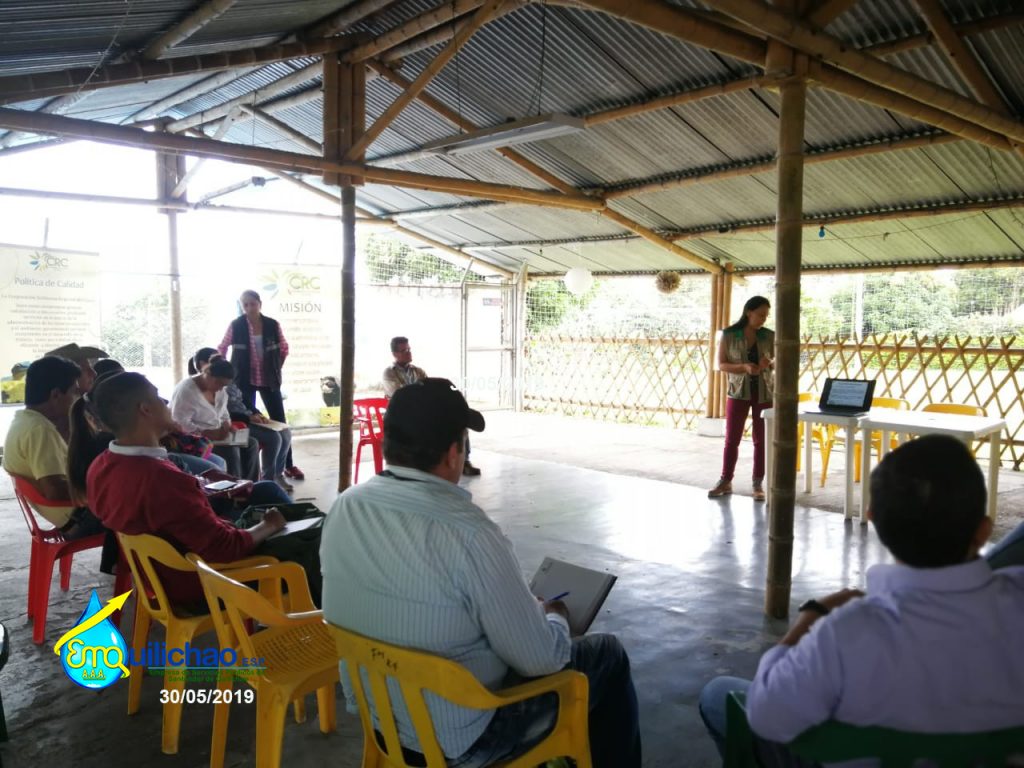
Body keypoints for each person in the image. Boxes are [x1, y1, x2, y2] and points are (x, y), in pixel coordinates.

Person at [321, 378, 641, 768]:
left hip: (382, 719)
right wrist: (554, 617)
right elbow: (540, 661)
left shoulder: (345, 506)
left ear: (389, 444)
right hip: (461, 741)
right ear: (453, 453)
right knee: (607, 654)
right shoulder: (470, 533)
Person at [698, 435, 1024, 765]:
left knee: (717, 694)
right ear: (984, 530)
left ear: (874, 520)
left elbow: (764, 714)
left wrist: (812, 615)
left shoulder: (847, 631)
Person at [85, 372, 298, 608]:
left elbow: (161, 510)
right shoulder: (162, 480)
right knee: (303, 543)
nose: (166, 402)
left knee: (265, 490)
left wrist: (200, 490)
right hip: (204, 582)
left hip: (162, 573)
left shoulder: (100, 466)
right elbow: (226, 548)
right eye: (158, 397)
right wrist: (269, 525)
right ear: (145, 409)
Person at [2, 356, 105, 539]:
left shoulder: (23, 421)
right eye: (74, 392)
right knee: (140, 505)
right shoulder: (39, 430)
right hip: (79, 521)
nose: (77, 398)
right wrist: (103, 491)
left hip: (70, 518)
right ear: (56, 395)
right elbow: (54, 490)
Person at [218, 289, 304, 480]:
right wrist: (225, 372)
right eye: (245, 304)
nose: (249, 308)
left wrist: (276, 368)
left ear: (260, 304)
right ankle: (252, 468)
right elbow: (222, 347)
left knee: (280, 421)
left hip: (268, 378)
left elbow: (284, 348)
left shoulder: (272, 324)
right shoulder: (236, 325)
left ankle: (288, 465)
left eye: (253, 303)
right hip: (244, 379)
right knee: (248, 419)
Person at [192, 347, 294, 492]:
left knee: (285, 433)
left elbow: (243, 399)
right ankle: (266, 479)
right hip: (238, 422)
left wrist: (257, 413)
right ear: (203, 364)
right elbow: (220, 413)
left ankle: (275, 476)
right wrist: (247, 418)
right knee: (273, 438)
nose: (221, 361)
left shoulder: (224, 378)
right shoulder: (204, 385)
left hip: (244, 419)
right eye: (215, 360)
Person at [383, 336, 481, 477]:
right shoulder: (389, 373)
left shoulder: (418, 371)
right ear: (395, 354)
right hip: (403, 415)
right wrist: (420, 396)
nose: (409, 352)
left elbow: (426, 390)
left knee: (458, 422)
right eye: (404, 350)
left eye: (409, 349)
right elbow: (400, 396)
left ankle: (464, 461)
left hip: (422, 411)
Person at [708, 296, 774, 502]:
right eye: (760, 314)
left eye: (766, 315)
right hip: (737, 391)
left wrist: (769, 363)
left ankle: (758, 483)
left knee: (761, 440)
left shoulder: (769, 335)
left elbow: (777, 361)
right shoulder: (729, 334)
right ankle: (725, 480)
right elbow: (722, 364)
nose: (763, 319)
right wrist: (744, 367)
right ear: (748, 312)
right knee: (732, 439)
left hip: (764, 392)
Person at [171, 355, 258, 480]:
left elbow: (224, 413)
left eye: (224, 386)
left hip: (219, 434)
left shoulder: (220, 390)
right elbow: (179, 422)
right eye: (219, 384)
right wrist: (205, 432)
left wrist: (228, 425)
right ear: (207, 374)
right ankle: (235, 486)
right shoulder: (186, 390)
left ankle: (251, 484)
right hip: (196, 440)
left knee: (252, 443)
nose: (220, 388)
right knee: (231, 451)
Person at [44, 342, 107, 439]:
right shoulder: (62, 418)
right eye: (85, 369)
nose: (93, 373)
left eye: (91, 367)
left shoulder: (84, 406)